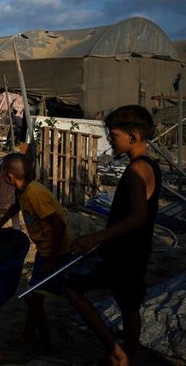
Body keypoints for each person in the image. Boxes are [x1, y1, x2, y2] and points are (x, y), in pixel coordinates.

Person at [63, 105, 161, 366]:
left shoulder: (137, 171)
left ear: (133, 137)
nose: (109, 139)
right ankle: (130, 355)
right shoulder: (149, 165)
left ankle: (116, 351)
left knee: (73, 289)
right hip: (136, 250)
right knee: (128, 305)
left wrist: (97, 238)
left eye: (113, 134)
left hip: (125, 253)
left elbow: (139, 216)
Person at [0, 153, 70, 354]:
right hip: (45, 251)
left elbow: (59, 226)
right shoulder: (23, 190)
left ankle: (45, 343)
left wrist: (52, 259)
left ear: (9, 177)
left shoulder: (35, 193)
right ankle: (28, 336)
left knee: (33, 298)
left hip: (55, 252)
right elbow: (17, 205)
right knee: (35, 298)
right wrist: (0, 223)